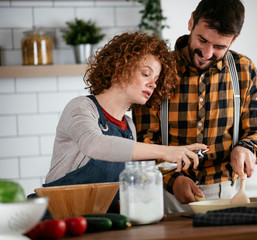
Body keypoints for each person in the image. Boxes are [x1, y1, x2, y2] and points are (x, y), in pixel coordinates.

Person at [43, 32, 207, 212]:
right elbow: (95, 145)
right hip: (60, 216)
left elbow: (121, 189)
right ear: (120, 67)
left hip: (100, 222)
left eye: (156, 80)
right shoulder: (81, 107)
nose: (152, 84)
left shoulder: (128, 126)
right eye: (146, 74)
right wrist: (166, 151)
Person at [133, 0, 257, 213]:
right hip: (168, 194)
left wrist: (247, 147)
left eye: (219, 47)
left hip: (228, 195)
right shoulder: (158, 70)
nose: (206, 53)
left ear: (234, 40)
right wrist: (173, 179)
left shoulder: (244, 70)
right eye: (202, 40)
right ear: (191, 22)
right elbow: (144, 139)